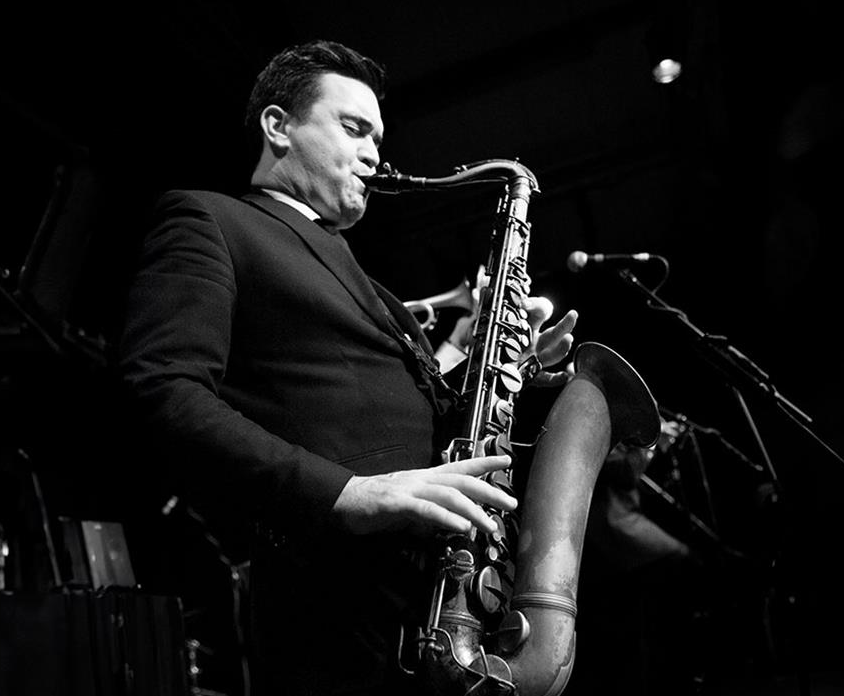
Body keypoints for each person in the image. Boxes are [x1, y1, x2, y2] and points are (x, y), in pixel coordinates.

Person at [115, 40, 577, 695]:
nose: (374, 153)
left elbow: (430, 419)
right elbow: (160, 389)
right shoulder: (209, 219)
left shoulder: (368, 283)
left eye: (378, 135)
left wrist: (513, 369)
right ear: (278, 127)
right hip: (328, 603)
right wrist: (344, 491)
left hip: (428, 603)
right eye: (353, 128)